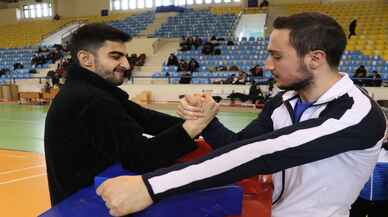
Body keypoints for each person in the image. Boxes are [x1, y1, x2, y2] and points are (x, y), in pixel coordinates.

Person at [96, 13, 387, 217]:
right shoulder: (283, 101)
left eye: (276, 55)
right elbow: (237, 146)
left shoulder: (358, 114)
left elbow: (263, 153)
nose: (267, 64)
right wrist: (206, 120)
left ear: (315, 58)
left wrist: (150, 187)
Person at [44, 23, 200, 205]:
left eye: (125, 56)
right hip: (88, 205)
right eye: (116, 56)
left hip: (83, 199)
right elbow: (141, 158)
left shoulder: (92, 90)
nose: (126, 64)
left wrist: (194, 121)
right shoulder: (90, 99)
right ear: (86, 59)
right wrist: (191, 128)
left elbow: (146, 117)